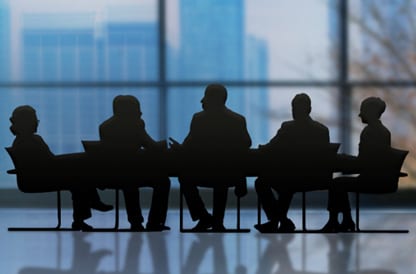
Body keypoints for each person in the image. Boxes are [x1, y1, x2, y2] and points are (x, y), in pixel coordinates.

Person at [9, 105, 112, 231]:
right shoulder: (28, 141)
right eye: (35, 120)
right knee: (81, 175)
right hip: (38, 180)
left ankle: (82, 217)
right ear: (27, 122)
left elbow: (49, 162)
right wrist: (78, 158)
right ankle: (92, 201)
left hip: (43, 176)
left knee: (80, 180)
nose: (37, 123)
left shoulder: (28, 140)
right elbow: (48, 162)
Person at [170, 84, 252, 231]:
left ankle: (204, 217)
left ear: (214, 99)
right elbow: (246, 143)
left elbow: (188, 147)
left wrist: (178, 149)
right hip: (229, 174)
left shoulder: (199, 119)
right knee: (221, 180)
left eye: (205, 97)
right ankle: (217, 222)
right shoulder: (237, 120)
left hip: (204, 172)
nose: (202, 101)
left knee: (184, 177)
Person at [254, 93, 330, 233]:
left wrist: (260, 149)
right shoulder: (322, 130)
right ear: (309, 109)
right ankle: (281, 220)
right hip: (315, 178)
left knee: (262, 182)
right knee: (286, 183)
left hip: (292, 178)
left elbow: (272, 147)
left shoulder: (288, 128)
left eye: (295, 108)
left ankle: (277, 220)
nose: (294, 111)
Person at [99, 95, 170, 231]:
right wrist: (164, 145)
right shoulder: (136, 124)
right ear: (129, 110)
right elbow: (151, 146)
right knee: (163, 182)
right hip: (131, 172)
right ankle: (154, 222)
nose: (140, 112)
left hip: (112, 173)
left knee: (129, 181)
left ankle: (136, 222)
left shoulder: (105, 127)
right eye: (137, 109)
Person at [322, 97, 390, 232]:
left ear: (371, 112)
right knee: (339, 182)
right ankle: (345, 220)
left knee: (336, 183)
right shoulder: (382, 131)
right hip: (377, 175)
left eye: (362, 111)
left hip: (372, 178)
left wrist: (342, 160)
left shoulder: (370, 132)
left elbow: (365, 162)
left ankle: (336, 221)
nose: (359, 114)